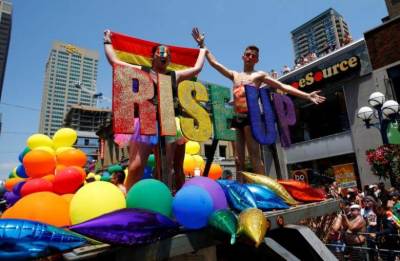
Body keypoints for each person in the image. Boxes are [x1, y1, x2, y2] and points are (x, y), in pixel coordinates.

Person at [192, 27, 325, 179]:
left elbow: (281, 86)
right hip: (236, 118)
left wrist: (307, 95)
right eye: (247, 54)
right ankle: (241, 191)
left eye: (253, 56)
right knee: (238, 160)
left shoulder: (258, 75)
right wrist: (203, 45)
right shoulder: (235, 75)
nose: (249, 57)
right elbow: (215, 63)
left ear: (257, 60)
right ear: (243, 57)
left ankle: (264, 188)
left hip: (251, 117)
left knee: (255, 156)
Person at [104, 30, 207, 190]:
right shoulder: (140, 70)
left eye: (167, 54)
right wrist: (107, 41)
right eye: (160, 52)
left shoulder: (175, 75)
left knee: (165, 169)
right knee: (135, 166)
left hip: (167, 121)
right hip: (146, 120)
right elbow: (114, 62)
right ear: (154, 56)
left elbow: (197, 68)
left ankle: (162, 201)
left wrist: (201, 46)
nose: (164, 55)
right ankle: (128, 202)